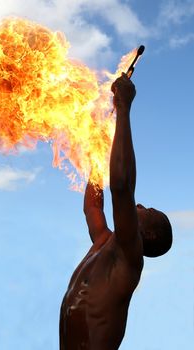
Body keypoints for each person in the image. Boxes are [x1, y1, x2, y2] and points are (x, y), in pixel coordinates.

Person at [59, 73, 172, 350]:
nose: (141, 205)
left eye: (149, 210)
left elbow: (121, 187)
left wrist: (123, 107)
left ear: (148, 233)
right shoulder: (103, 241)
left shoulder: (129, 256)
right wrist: (98, 153)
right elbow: (92, 207)